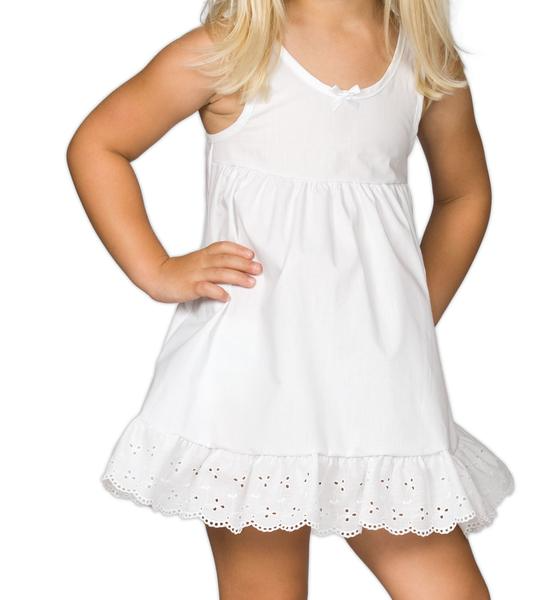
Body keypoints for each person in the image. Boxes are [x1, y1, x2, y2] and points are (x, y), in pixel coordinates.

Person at [67, 0, 514, 597]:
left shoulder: (424, 59)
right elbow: (99, 144)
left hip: (377, 392)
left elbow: (465, 194)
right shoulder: (230, 51)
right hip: (251, 378)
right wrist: (157, 269)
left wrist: (411, 313)